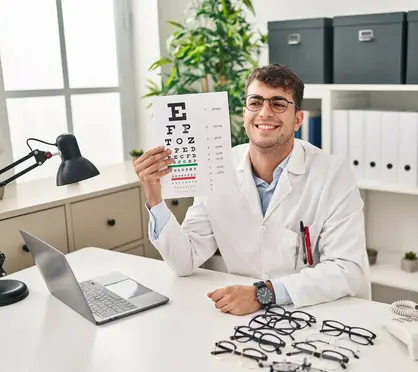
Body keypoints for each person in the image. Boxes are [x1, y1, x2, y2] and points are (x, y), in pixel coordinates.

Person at [134, 63, 370, 316]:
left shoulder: (333, 174)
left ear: (298, 119)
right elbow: (184, 260)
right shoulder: (217, 168)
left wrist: (263, 294)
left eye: (278, 104)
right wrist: (155, 196)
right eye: (255, 102)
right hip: (243, 316)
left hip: (317, 313)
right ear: (245, 112)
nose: (264, 113)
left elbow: (347, 270)